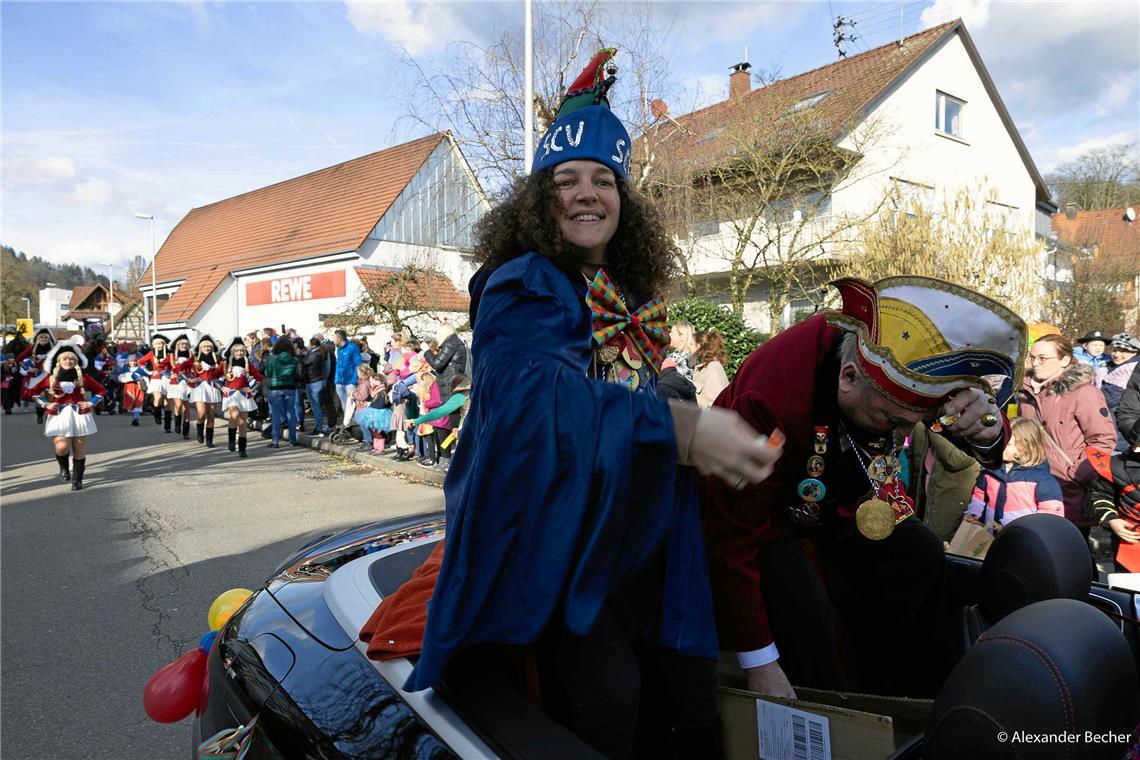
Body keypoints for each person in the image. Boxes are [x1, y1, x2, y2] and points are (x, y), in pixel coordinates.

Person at [362, 49, 780, 760]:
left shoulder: (625, 292)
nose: (587, 194)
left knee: (690, 682)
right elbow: (531, 404)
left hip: (624, 533)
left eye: (603, 180)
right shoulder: (523, 283)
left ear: (624, 200)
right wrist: (680, 427)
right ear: (540, 201)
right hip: (549, 537)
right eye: (566, 181)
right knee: (610, 695)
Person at [704, 275, 1025, 701]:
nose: (902, 433)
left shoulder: (905, 365)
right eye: (889, 421)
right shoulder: (770, 395)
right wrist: (760, 664)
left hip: (842, 507)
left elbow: (986, 440)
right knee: (810, 622)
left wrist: (984, 426)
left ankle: (914, 702)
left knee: (922, 551)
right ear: (848, 376)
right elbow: (730, 532)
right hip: (766, 521)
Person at [1018, 334, 1116, 537]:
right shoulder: (1025, 392)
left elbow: (1103, 439)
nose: (1036, 363)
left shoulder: (1084, 393)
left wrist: (1077, 473)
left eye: (1043, 358)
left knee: (1072, 557)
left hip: (1070, 492)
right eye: (1032, 357)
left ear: (1064, 360)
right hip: (1030, 490)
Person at [27, 339, 106, 491]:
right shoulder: (51, 378)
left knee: (79, 446)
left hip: (79, 413)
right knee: (61, 446)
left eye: (71, 359)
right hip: (58, 414)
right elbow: (34, 392)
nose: (68, 361)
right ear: (59, 361)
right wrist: (46, 404)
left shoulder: (83, 377)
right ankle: (63, 467)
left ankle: (77, 480)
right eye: (65, 358)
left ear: (75, 361)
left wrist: (91, 402)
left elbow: (101, 390)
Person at [964, 417, 1064, 531]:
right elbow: (979, 494)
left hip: (1022, 542)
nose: (1002, 447)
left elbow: (1050, 517)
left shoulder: (1043, 480)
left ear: (1026, 446)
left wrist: (1012, 531)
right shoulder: (990, 470)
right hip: (989, 538)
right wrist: (973, 513)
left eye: (1009, 444)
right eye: (1001, 442)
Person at [907, 423, 981, 543]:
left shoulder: (973, 421)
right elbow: (913, 457)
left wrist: (934, 424)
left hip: (948, 510)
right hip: (923, 506)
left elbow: (955, 459)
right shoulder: (924, 419)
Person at [1096, 333, 1140, 451]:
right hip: (1104, 429)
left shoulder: (1133, 371)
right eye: (1114, 350)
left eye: (1123, 351)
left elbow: (1108, 400)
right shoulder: (1104, 368)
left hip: (1122, 434)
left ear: (1134, 352)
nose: (1117, 354)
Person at [220, 338, 261, 458]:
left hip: (244, 395)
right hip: (231, 395)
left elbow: (258, 378)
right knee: (234, 416)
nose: (239, 353)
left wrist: (251, 389)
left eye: (241, 351)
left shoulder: (248, 364)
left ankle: (242, 449)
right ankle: (232, 440)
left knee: (242, 423)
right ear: (232, 352)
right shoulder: (226, 363)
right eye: (237, 351)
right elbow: (215, 377)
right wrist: (222, 388)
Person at [188, 335, 225, 447]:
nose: (206, 349)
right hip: (200, 388)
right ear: (200, 348)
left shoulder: (217, 359)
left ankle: (209, 440)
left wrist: (220, 375)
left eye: (208, 347)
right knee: (201, 413)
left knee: (211, 414)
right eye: (204, 347)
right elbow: (181, 368)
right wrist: (189, 378)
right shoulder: (194, 358)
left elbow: (221, 371)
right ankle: (200, 431)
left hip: (212, 387)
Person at [263, 338, 300, 448]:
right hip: (290, 388)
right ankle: (292, 440)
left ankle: (275, 441)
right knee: (291, 414)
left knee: (276, 415)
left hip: (276, 388)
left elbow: (268, 373)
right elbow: (297, 374)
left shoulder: (272, 358)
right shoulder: (294, 359)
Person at [17, 328, 56, 424]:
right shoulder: (32, 348)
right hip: (38, 375)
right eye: (41, 337)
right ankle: (40, 415)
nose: (44, 339)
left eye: (46, 337)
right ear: (37, 338)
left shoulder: (55, 348)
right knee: (40, 396)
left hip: (51, 375)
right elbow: (19, 359)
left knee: (51, 397)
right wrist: (27, 368)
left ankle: (49, 416)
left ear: (49, 338)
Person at [424, 322, 467, 404]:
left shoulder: (450, 344)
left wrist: (427, 351)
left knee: (452, 413)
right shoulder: (455, 342)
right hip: (454, 382)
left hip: (450, 384)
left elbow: (437, 364)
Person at [137, 333, 173, 430]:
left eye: (160, 344)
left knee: (168, 403)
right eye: (156, 344)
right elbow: (140, 362)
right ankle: (156, 414)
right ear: (153, 345)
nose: (158, 346)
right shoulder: (152, 353)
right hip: (156, 378)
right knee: (158, 398)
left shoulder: (170, 354)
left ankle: (167, 426)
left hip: (168, 378)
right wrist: (148, 371)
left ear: (164, 344)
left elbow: (175, 365)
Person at [299, 337, 330, 437]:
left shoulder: (314, 354)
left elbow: (305, 362)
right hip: (320, 380)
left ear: (312, 345)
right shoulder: (320, 352)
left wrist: (298, 355)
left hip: (314, 382)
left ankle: (318, 429)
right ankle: (319, 427)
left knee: (316, 407)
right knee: (318, 406)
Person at [693, 328, 730, 409]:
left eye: (691, 344)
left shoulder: (712, 368)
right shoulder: (704, 368)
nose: (689, 348)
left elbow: (718, 405)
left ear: (698, 346)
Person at [167, 334, 195, 439]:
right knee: (178, 405)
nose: (184, 346)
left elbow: (196, 367)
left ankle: (186, 431)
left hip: (188, 383)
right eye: (182, 344)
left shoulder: (192, 356)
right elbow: (162, 367)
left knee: (186, 407)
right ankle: (177, 423)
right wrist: (169, 373)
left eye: (186, 344)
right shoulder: (172, 356)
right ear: (178, 345)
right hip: (176, 382)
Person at [332, 329, 361, 425]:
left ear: (339, 338)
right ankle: (349, 425)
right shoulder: (339, 349)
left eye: (334, 337)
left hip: (350, 382)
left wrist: (354, 380)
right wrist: (337, 380)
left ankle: (357, 426)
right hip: (340, 382)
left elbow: (358, 364)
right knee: (345, 407)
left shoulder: (352, 348)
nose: (333, 339)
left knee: (352, 406)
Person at [117, 353, 147, 426]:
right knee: (131, 401)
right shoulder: (124, 369)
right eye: (131, 361)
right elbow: (120, 377)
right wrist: (127, 378)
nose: (133, 363)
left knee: (138, 401)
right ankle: (134, 417)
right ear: (128, 362)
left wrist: (142, 380)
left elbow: (145, 377)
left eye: (134, 361)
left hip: (138, 386)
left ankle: (136, 419)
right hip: (129, 386)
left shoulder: (140, 369)